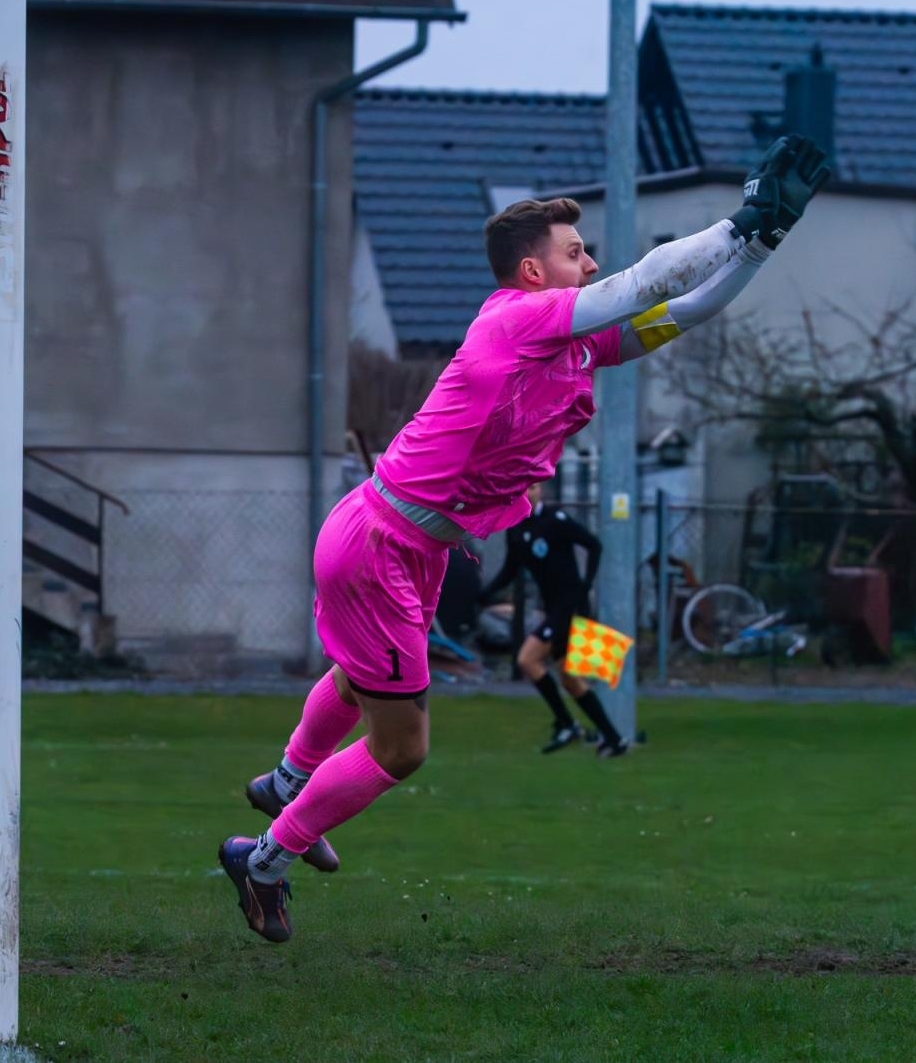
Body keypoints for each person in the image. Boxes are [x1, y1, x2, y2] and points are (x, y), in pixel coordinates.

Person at [219, 135, 831, 943]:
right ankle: (264, 859)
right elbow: (643, 281)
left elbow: (678, 310)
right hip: (381, 540)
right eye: (576, 252)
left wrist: (758, 245)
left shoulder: (569, 343)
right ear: (534, 272)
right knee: (402, 748)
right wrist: (738, 219)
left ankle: (290, 780)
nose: (590, 262)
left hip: (406, 540)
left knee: (365, 676)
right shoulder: (515, 319)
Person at [477, 481, 624, 756]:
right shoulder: (517, 528)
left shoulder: (555, 519)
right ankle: (613, 739)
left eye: (532, 488)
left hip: (568, 607)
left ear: (540, 490)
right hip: (553, 608)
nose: (528, 494)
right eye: (521, 490)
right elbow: (511, 569)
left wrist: (585, 585)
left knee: (527, 659)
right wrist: (485, 593)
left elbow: (594, 545)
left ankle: (567, 724)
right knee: (569, 679)